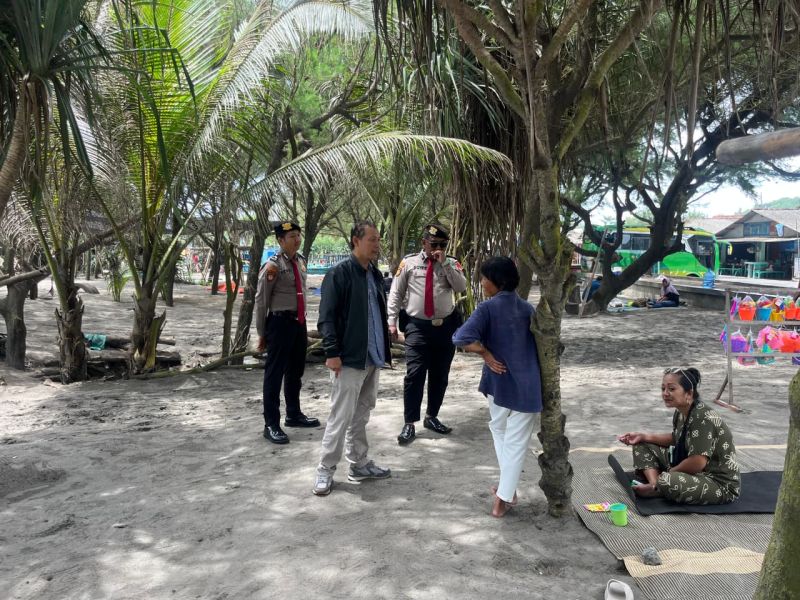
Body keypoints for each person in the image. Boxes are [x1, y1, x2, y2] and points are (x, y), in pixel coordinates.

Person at [452, 257, 543, 517]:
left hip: (500, 383)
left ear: (498, 282)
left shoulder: (487, 309)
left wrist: (485, 353)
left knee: (502, 432)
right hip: (529, 386)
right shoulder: (528, 308)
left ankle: (502, 500)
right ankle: (506, 492)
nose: (481, 283)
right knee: (514, 441)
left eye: (485, 278)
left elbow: (460, 338)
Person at [313, 221, 393, 496]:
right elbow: (326, 318)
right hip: (348, 358)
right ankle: (325, 470)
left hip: (372, 356)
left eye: (378, 240)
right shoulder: (339, 273)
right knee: (341, 417)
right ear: (355, 241)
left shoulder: (374, 274)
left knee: (361, 414)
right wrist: (332, 353)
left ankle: (359, 463)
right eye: (372, 239)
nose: (377, 245)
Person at [388, 224, 468, 445]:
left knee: (440, 375)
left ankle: (431, 416)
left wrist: (445, 264)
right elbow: (396, 294)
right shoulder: (409, 263)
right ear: (424, 243)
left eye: (442, 245)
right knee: (415, 375)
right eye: (434, 244)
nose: (438, 248)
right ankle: (410, 423)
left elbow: (460, 287)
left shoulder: (451, 263)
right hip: (417, 327)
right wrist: (391, 323)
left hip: (445, 327)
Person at [618, 367, 740, 504]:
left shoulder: (702, 418)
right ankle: (654, 485)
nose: (665, 393)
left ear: (689, 393)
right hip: (691, 468)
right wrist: (644, 437)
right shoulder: (681, 411)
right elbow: (676, 438)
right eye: (663, 388)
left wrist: (668, 473)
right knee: (641, 444)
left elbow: (697, 463)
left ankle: (658, 486)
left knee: (667, 480)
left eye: (671, 389)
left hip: (718, 483)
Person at [255, 221, 320, 444]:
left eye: (298, 235)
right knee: (274, 375)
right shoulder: (272, 265)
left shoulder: (300, 261)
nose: (297, 239)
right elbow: (261, 301)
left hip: (298, 323)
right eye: (292, 236)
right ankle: (271, 424)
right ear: (281, 240)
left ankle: (293, 414)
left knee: (296, 371)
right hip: (279, 323)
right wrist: (262, 332)